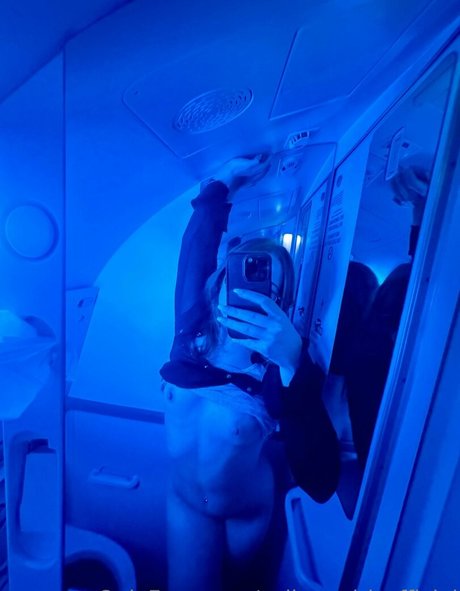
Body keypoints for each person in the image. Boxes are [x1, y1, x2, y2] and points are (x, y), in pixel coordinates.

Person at [160, 155, 340, 591]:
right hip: (185, 502)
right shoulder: (189, 334)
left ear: (281, 305)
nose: (248, 298)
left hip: (245, 512)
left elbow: (320, 482)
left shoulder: (279, 371)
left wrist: (293, 362)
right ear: (220, 283)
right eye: (240, 282)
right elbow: (196, 252)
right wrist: (224, 183)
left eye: (266, 292)